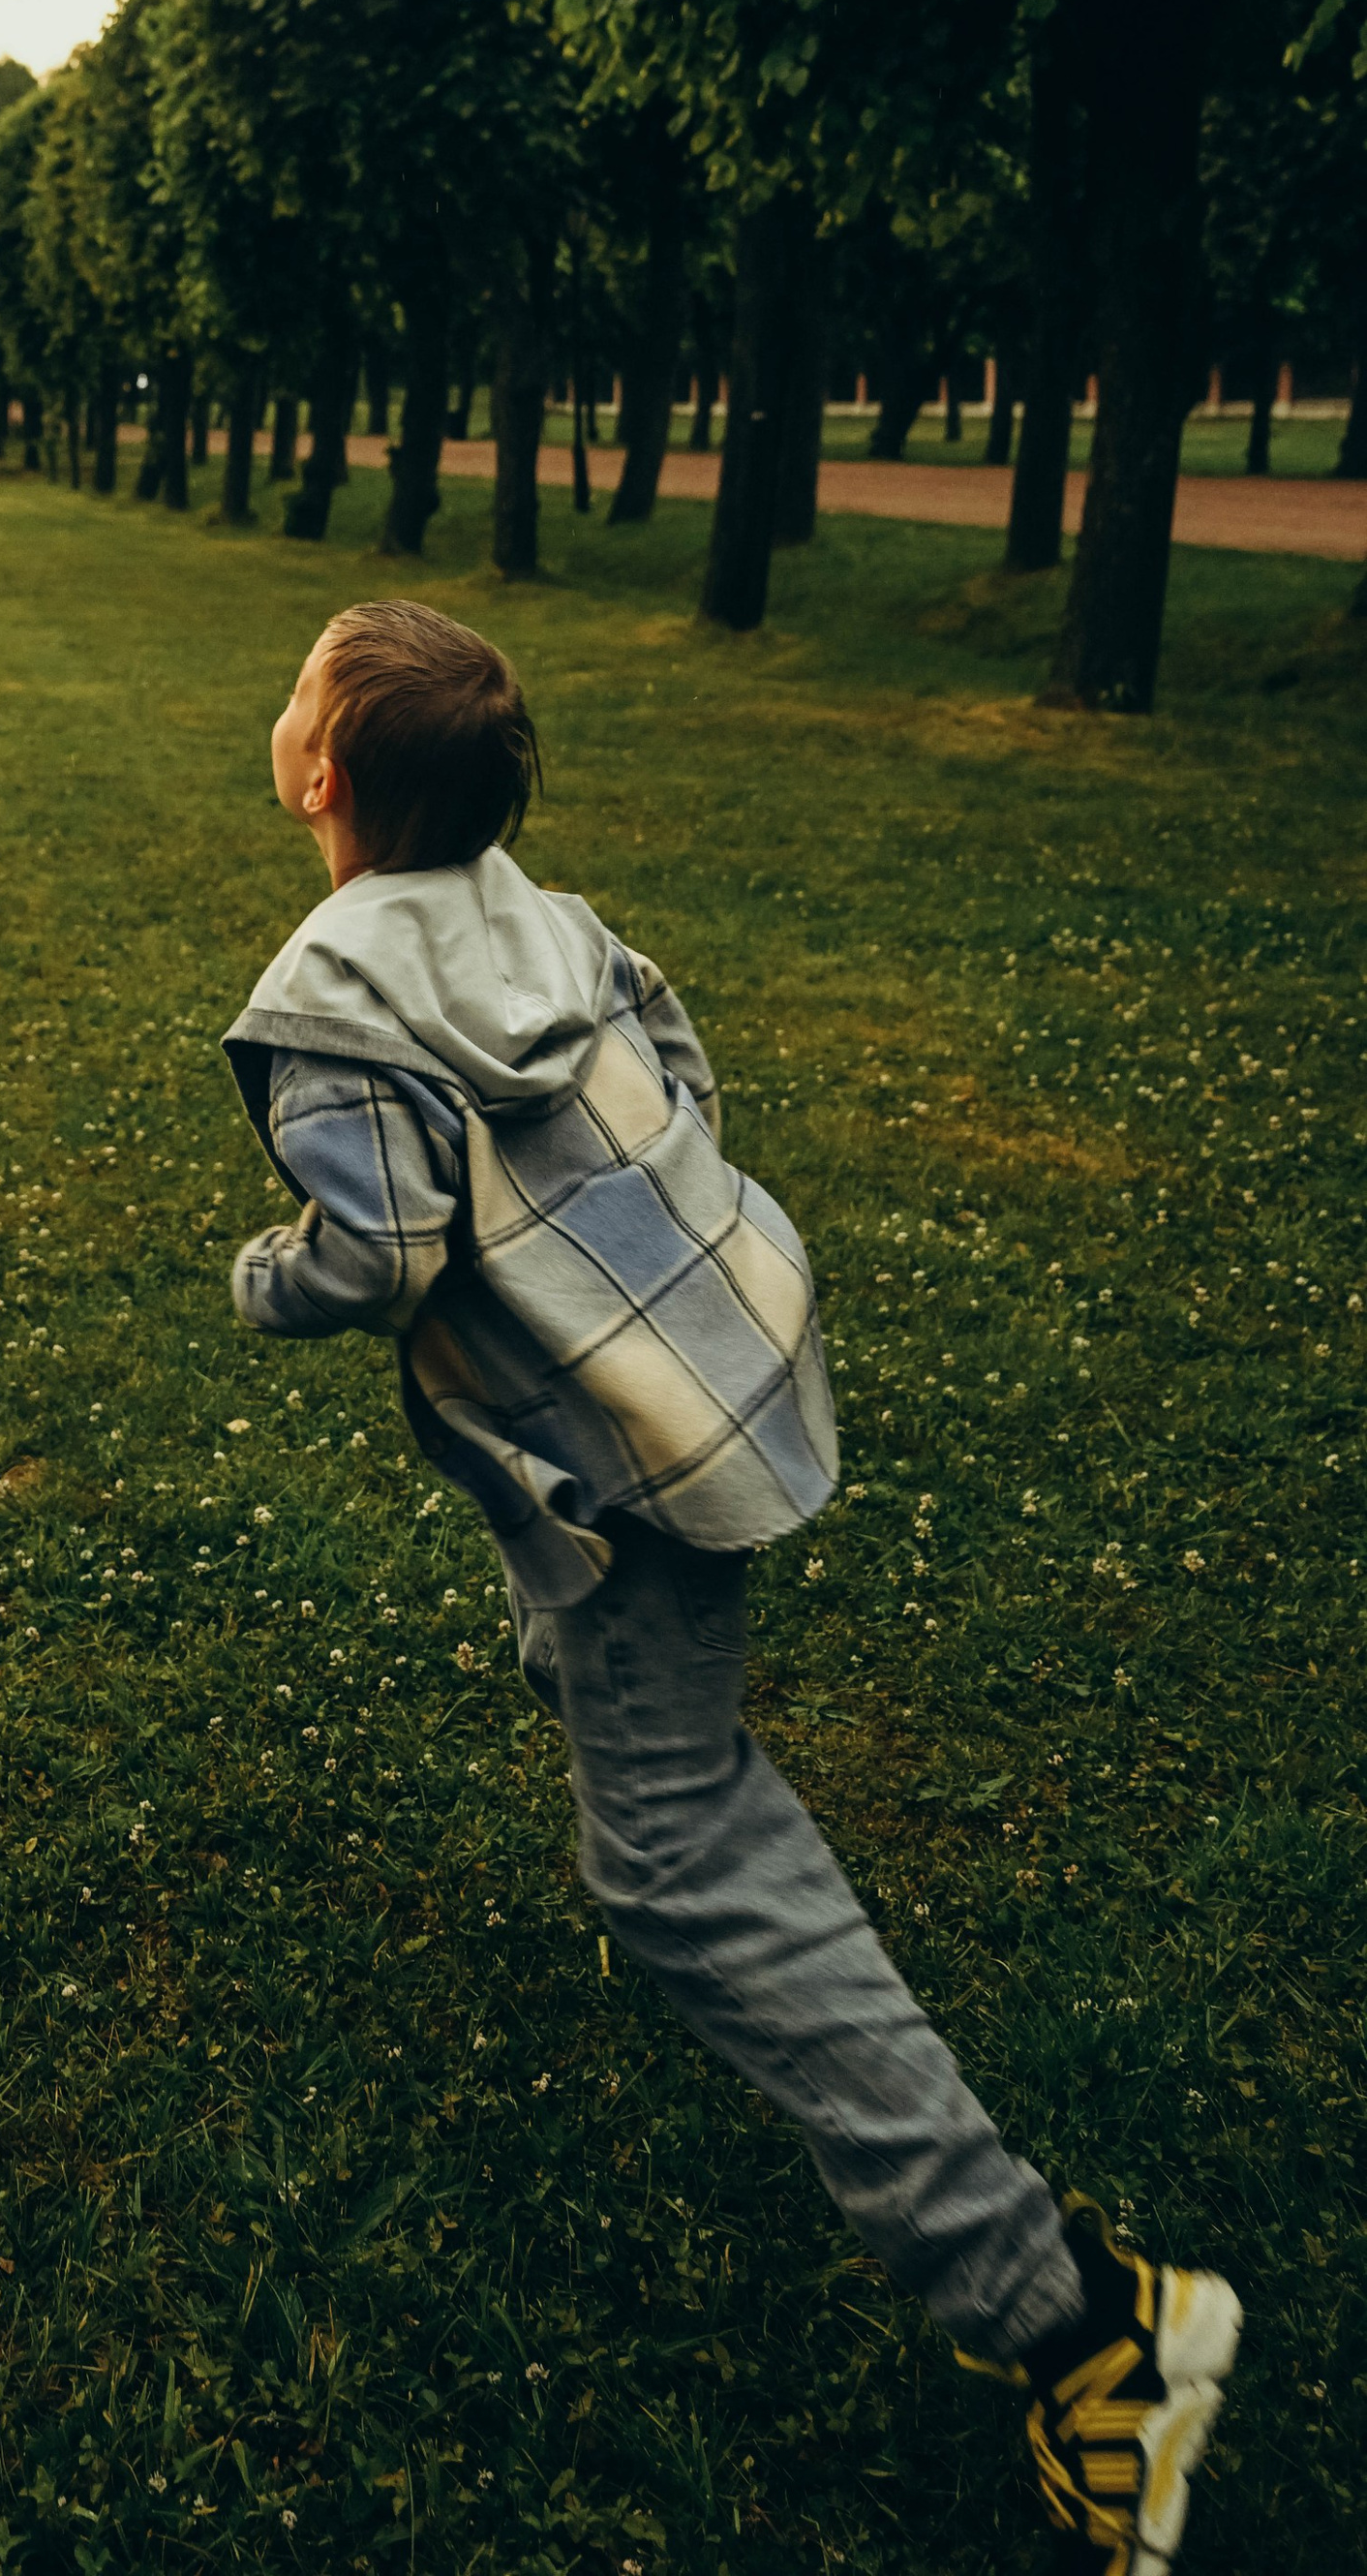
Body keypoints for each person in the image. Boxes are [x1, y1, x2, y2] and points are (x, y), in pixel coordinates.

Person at [222, 597, 1238, 2576]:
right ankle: (644, 1740)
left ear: (319, 777)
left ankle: (1078, 2322)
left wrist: (265, 1277)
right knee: (622, 1688)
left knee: (666, 1857)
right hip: (710, 1370)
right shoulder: (553, 917)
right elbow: (672, 1061)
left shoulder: (328, 1002)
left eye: (293, 693)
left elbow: (378, 1250)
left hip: (616, 1462)